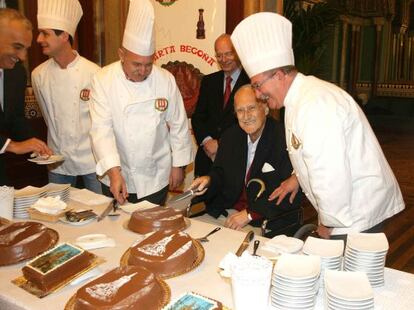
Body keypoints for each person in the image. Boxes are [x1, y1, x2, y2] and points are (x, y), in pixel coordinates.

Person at [231, 12, 405, 239]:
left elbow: (330, 172)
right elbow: (308, 149)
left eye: (257, 85)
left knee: (350, 272)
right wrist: (297, 177)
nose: (257, 94)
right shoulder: (299, 98)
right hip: (349, 206)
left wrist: (328, 221)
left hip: (356, 212)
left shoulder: (314, 105)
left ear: (279, 75)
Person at [89, 0, 193, 205]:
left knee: (151, 228)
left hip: (156, 175)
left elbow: (179, 125)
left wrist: (178, 165)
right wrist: (114, 172)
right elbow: (101, 130)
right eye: (136, 64)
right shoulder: (103, 79)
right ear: (121, 54)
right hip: (118, 172)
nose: (143, 70)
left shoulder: (165, 79)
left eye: (148, 64)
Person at [190, 85, 302, 236]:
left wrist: (250, 214)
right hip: (226, 212)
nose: (246, 116)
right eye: (240, 110)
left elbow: (289, 193)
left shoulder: (283, 140)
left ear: (266, 108)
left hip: (263, 220)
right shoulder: (231, 136)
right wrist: (208, 180)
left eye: (251, 108)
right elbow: (220, 173)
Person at [31, 0, 101, 193]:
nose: (38, 39)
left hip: (92, 159)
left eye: (45, 33)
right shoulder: (38, 75)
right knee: (56, 209)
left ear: (64, 35)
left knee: (98, 210)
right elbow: (47, 115)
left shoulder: (94, 73)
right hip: (56, 159)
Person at [0, 8, 52, 185]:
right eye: (17, 47)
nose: (22, 57)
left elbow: (14, 118)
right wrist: (11, 146)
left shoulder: (16, 73)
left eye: (26, 49)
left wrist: (34, 143)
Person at [191, 34, 250, 177]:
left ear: (238, 53)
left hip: (237, 160)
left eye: (228, 54)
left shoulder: (251, 82)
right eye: (219, 55)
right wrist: (207, 141)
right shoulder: (208, 81)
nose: (223, 60)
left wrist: (221, 143)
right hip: (207, 162)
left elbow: (251, 121)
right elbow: (198, 117)